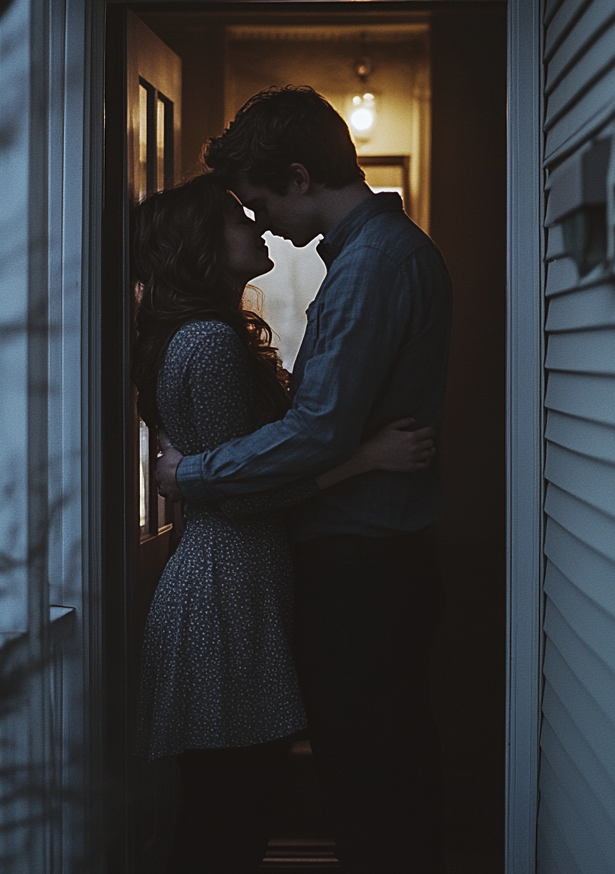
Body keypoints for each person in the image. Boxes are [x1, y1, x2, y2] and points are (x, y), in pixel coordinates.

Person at [155, 87, 453, 874]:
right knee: (369, 780)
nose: (261, 223)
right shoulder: (365, 261)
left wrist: (197, 473)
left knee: (373, 787)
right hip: (362, 568)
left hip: (365, 574)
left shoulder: (373, 266)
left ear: (297, 175)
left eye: (258, 201)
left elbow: (318, 429)